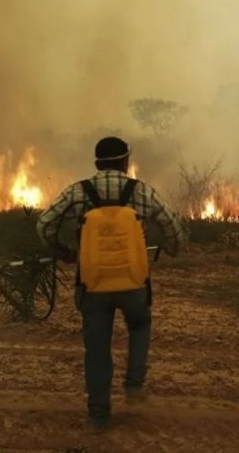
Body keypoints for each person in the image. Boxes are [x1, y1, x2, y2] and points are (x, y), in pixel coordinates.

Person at [37, 136, 185, 430]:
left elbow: (44, 224)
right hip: (134, 282)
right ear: (125, 162)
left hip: (93, 284)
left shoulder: (79, 192)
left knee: (97, 349)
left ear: (97, 164)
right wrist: (173, 248)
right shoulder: (139, 190)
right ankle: (133, 383)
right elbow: (170, 223)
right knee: (140, 325)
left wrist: (63, 250)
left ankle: (99, 415)